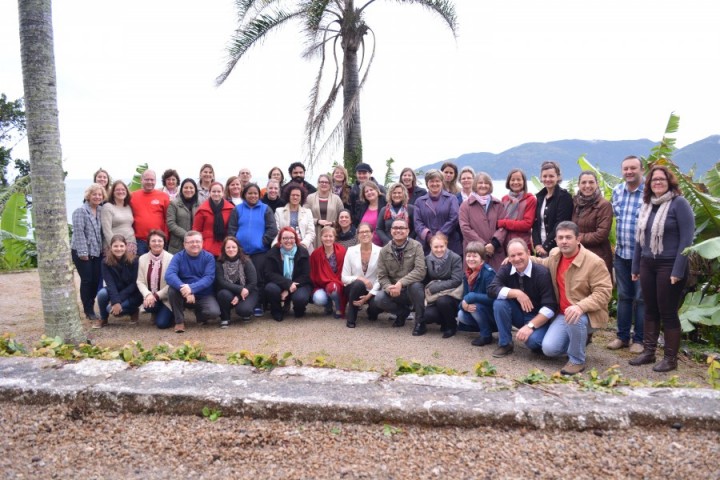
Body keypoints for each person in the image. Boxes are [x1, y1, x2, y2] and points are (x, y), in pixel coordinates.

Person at [630, 165, 695, 372]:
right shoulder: (648, 205)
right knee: (650, 309)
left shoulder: (679, 204)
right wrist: (636, 265)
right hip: (648, 264)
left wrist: (678, 270)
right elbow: (640, 240)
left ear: (669, 182)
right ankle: (649, 352)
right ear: (649, 184)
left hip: (670, 265)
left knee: (667, 312)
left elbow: (687, 240)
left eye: (662, 179)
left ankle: (670, 359)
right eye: (654, 180)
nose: (657, 182)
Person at [531, 221, 613, 375]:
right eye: (560, 237)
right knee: (549, 349)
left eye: (568, 237)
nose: (564, 241)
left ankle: (577, 360)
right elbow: (542, 263)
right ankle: (579, 340)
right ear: (555, 240)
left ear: (578, 239)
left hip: (588, 314)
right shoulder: (555, 255)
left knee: (575, 318)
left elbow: (604, 292)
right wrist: (522, 259)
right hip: (564, 313)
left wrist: (580, 307)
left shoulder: (594, 262)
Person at [487, 238, 557, 358]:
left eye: (520, 254)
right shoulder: (506, 268)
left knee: (533, 342)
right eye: (512, 255)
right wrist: (517, 293)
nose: (516, 258)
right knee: (499, 303)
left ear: (528, 253)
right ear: (508, 257)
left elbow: (550, 307)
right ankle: (505, 344)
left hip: (538, 317)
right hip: (518, 314)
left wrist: (530, 326)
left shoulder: (542, 273)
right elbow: (491, 289)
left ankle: (538, 339)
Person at [609, 155, 645, 353]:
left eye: (633, 168)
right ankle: (622, 337)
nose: (629, 172)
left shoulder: (649, 192)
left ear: (641, 169)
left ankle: (639, 340)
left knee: (641, 298)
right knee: (624, 296)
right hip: (622, 254)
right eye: (626, 169)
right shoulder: (617, 191)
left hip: (643, 256)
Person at [227, 183, 278, 317]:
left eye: (255, 193)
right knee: (242, 279)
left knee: (258, 279)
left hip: (259, 252)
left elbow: (272, 229)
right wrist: (235, 245)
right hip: (241, 252)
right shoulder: (237, 209)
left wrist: (262, 242)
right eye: (250, 193)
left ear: (259, 195)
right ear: (245, 194)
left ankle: (258, 304)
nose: (253, 195)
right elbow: (231, 229)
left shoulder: (265, 209)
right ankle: (241, 303)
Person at [375, 218, 427, 329]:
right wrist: (389, 287)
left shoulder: (416, 246)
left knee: (417, 286)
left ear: (408, 231)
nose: (398, 230)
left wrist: (401, 283)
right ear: (391, 231)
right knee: (379, 298)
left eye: (402, 228)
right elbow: (382, 276)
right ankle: (402, 313)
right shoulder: (384, 250)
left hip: (410, 290)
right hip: (395, 291)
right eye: (395, 228)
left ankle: (420, 322)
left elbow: (420, 271)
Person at [165, 230, 221, 332]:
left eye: (197, 241)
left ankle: (200, 314)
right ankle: (179, 322)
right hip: (183, 293)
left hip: (204, 294)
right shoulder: (178, 257)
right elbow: (169, 275)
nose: (195, 244)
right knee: (172, 290)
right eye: (191, 242)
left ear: (202, 243)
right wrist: (185, 288)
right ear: (185, 244)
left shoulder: (209, 257)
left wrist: (191, 288)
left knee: (214, 313)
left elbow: (209, 278)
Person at [417, 233, 463, 338]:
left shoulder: (455, 258)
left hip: (452, 294)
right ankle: (443, 321)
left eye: (442, 246)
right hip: (435, 296)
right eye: (436, 247)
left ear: (446, 245)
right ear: (431, 247)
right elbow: (425, 278)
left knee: (443, 301)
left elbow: (456, 280)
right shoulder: (427, 259)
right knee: (428, 316)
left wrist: (435, 287)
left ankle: (451, 326)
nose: (439, 249)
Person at [458, 172, 505, 272]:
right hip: (474, 251)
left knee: (496, 282)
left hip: (495, 251)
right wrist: (483, 246)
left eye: (486, 183)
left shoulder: (498, 204)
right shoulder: (465, 206)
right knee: (474, 282)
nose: (483, 185)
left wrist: (493, 244)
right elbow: (465, 228)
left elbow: (503, 226)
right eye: (480, 183)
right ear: (475, 185)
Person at [71, 183, 105, 320]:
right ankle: (88, 309)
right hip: (82, 252)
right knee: (87, 280)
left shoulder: (101, 210)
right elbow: (78, 233)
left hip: (97, 252)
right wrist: (83, 253)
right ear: (88, 196)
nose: (97, 197)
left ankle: (91, 303)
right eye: (94, 194)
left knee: (96, 280)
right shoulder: (80, 210)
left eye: (99, 195)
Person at [264, 227, 312, 321]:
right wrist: (287, 284)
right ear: (280, 240)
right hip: (280, 283)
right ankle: (276, 311)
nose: (288, 241)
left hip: (299, 283)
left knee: (300, 298)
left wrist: (289, 289)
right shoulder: (273, 252)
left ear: (296, 239)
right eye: (285, 238)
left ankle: (299, 309)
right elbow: (269, 273)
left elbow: (306, 275)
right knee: (270, 289)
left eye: (291, 238)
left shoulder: (302, 252)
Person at [96, 235, 143, 329]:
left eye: (121, 246)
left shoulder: (134, 260)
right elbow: (110, 284)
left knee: (112, 310)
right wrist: (116, 301)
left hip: (133, 293)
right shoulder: (105, 262)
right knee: (101, 294)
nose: (119, 249)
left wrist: (117, 301)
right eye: (116, 246)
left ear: (126, 247)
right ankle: (103, 319)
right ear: (111, 247)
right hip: (116, 290)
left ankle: (133, 310)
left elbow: (134, 284)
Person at [572, 170, 613, 274]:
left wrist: (575, 238)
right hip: (578, 255)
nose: (587, 186)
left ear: (597, 184)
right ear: (578, 184)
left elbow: (601, 234)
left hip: (598, 256)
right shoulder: (575, 203)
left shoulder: (604, 205)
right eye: (584, 182)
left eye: (591, 182)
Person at [342, 222, 382, 328]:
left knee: (375, 309)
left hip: (372, 289)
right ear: (358, 235)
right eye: (361, 232)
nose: (364, 234)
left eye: (367, 231)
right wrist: (361, 279)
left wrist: (368, 296)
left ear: (372, 234)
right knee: (359, 284)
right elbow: (344, 278)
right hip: (354, 288)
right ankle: (351, 316)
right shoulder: (350, 251)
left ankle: (371, 311)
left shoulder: (380, 251)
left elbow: (381, 277)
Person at [457, 242, 497, 346]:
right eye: (468, 256)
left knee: (475, 306)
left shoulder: (489, 273)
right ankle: (484, 328)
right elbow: (464, 297)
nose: (471, 259)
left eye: (475, 256)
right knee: (461, 314)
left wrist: (471, 297)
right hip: (479, 311)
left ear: (482, 259)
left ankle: (486, 335)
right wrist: (463, 305)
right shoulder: (467, 274)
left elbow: (493, 298)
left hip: (492, 312)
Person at [414, 169, 461, 256]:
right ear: (427, 183)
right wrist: (429, 237)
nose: (434, 184)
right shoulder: (419, 201)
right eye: (431, 181)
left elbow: (454, 218)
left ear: (442, 182)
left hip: (450, 244)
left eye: (437, 181)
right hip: (426, 246)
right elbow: (417, 222)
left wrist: (440, 234)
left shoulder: (451, 199)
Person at [215, 236, 258, 328]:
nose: (231, 249)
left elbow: (253, 282)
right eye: (228, 247)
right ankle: (225, 318)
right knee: (222, 294)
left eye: (234, 247)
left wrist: (239, 295)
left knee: (244, 310)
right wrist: (240, 289)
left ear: (238, 248)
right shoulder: (219, 263)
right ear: (224, 249)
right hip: (229, 291)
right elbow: (221, 282)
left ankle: (245, 312)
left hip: (248, 290)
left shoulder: (246, 261)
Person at [532, 161, 573, 257]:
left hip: (557, 248)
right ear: (541, 178)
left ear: (558, 177)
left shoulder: (564, 197)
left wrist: (546, 247)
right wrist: (537, 245)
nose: (547, 179)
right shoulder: (540, 197)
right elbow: (536, 223)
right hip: (540, 248)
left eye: (551, 176)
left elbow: (560, 224)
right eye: (545, 176)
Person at [136, 229, 174, 330]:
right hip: (151, 296)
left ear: (164, 243)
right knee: (148, 307)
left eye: (160, 241)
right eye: (153, 241)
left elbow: (171, 283)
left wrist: (156, 296)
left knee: (161, 324)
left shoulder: (171, 258)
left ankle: (171, 314)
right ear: (148, 243)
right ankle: (157, 312)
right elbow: (140, 281)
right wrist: (148, 295)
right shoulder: (142, 258)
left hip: (167, 298)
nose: (156, 243)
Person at [129, 169, 169, 255]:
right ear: (141, 180)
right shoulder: (132, 196)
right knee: (141, 266)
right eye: (147, 179)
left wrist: (165, 237)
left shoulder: (164, 196)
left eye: (152, 179)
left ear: (155, 181)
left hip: (158, 240)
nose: (149, 182)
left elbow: (167, 219)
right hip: (140, 240)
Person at [310, 226, 347, 318]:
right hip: (321, 284)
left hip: (337, 282)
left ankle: (339, 308)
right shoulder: (315, 254)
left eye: (330, 236)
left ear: (334, 237)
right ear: (321, 238)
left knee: (333, 288)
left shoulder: (342, 251)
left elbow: (346, 270)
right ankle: (328, 305)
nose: (328, 239)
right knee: (318, 298)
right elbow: (313, 273)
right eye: (325, 236)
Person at [497, 168, 536, 252]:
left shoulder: (530, 199)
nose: (515, 182)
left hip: (523, 243)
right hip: (505, 243)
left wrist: (504, 223)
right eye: (512, 180)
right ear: (508, 182)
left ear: (524, 182)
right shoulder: (505, 199)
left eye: (519, 179)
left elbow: (526, 225)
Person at [192, 181, 234, 257]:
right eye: (213, 191)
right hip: (206, 248)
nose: (216, 194)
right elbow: (196, 231)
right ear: (209, 192)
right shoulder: (202, 210)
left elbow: (232, 229)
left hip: (225, 247)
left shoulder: (230, 209)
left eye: (219, 191)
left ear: (223, 193)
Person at [305, 173, 345, 249]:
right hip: (315, 233)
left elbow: (342, 216)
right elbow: (304, 216)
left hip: (332, 232)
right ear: (318, 183)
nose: (324, 184)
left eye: (326, 182)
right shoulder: (310, 198)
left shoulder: (336, 199)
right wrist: (317, 221)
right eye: (321, 182)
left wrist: (332, 223)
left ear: (330, 184)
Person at [275, 183, 315, 253]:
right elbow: (277, 231)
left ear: (301, 197)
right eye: (293, 195)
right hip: (284, 248)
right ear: (288, 196)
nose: (295, 197)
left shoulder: (308, 212)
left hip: (305, 248)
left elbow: (311, 232)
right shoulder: (279, 211)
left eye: (298, 195)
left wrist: (303, 245)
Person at [101, 180, 136, 255]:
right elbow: (106, 230)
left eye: (123, 189)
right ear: (113, 192)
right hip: (115, 247)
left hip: (130, 243)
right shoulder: (107, 207)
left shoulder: (128, 207)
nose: (121, 192)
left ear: (126, 191)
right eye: (117, 190)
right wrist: (115, 246)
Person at [167, 178, 200, 254]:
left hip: (195, 244)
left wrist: (194, 237)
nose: (188, 190)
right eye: (186, 187)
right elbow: (171, 224)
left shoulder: (199, 204)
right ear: (181, 189)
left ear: (195, 190)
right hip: (177, 245)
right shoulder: (174, 204)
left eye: (191, 188)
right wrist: (186, 235)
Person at [352, 180, 386, 246]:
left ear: (377, 190)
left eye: (371, 190)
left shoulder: (385, 204)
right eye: (366, 191)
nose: (369, 192)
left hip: (382, 245)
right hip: (364, 245)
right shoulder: (362, 207)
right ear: (364, 195)